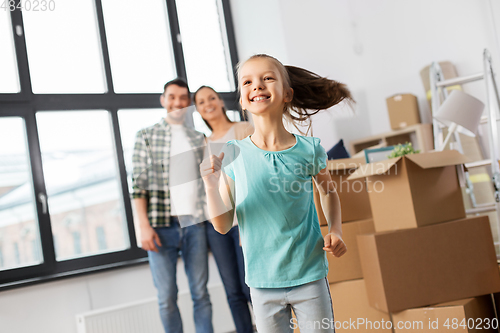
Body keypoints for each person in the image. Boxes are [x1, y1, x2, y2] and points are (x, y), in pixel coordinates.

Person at [200, 54, 350, 333]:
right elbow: (221, 226)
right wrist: (210, 185)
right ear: (243, 100)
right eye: (247, 82)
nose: (257, 85)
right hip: (262, 283)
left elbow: (328, 192)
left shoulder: (310, 149)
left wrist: (337, 230)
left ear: (287, 94)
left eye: (267, 78)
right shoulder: (234, 155)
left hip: (310, 276)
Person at [132, 78, 213, 333]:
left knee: (200, 293)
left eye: (182, 98)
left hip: (195, 224)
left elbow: (207, 182)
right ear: (163, 100)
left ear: (188, 103)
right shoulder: (146, 136)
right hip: (160, 226)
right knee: (166, 298)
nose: (177, 102)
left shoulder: (198, 137)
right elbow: (138, 185)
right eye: (172, 97)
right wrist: (143, 226)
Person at [193, 85, 254, 333]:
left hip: (244, 220)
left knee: (250, 286)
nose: (207, 104)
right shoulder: (201, 144)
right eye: (200, 102)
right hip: (216, 225)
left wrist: (246, 221)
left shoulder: (243, 129)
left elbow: (255, 173)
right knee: (233, 292)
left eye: (211, 98)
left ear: (220, 101)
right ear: (197, 109)